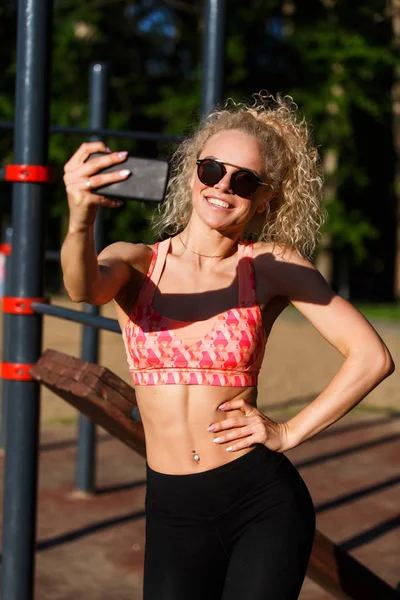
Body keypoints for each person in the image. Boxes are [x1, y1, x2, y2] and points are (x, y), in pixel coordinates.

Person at [61, 93, 394, 600]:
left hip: (261, 503)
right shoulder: (138, 261)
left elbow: (372, 357)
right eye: (212, 169)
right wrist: (80, 219)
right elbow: (84, 287)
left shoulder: (271, 265)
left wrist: (289, 431)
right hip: (172, 509)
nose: (222, 186)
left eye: (244, 180)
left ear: (265, 197)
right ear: (192, 173)